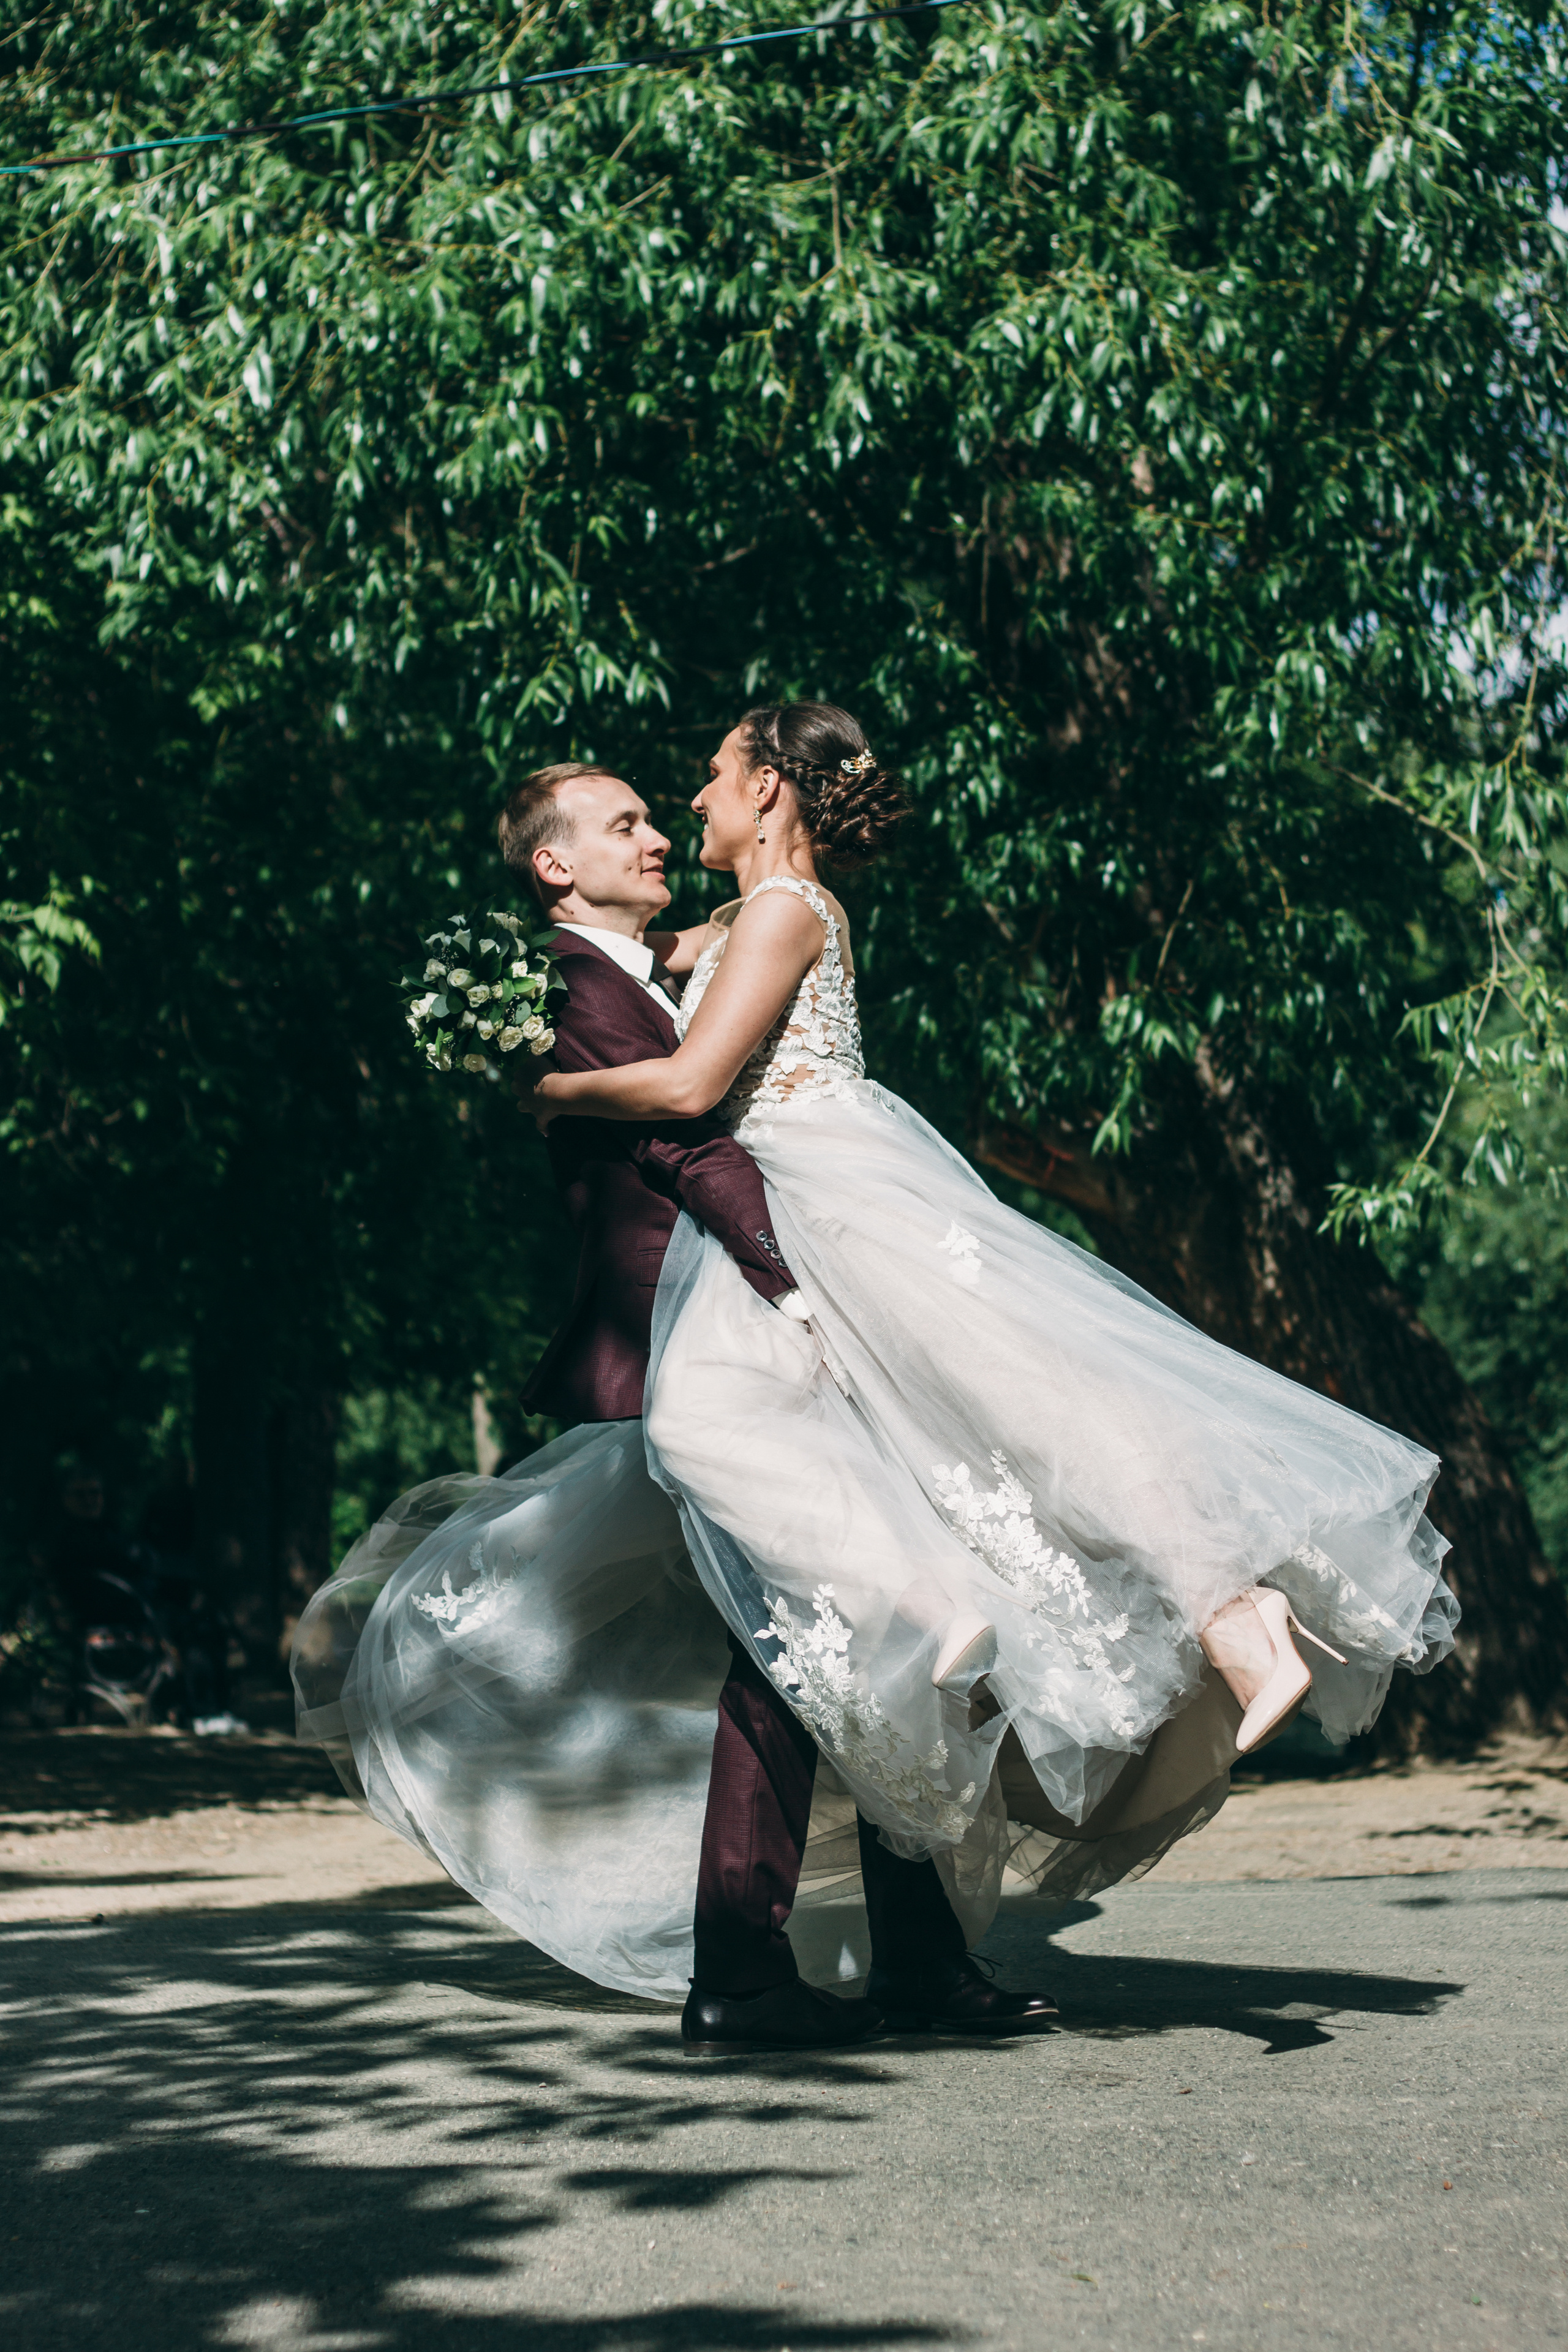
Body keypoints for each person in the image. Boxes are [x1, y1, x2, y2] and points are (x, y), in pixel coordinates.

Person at [525, 701, 1458, 1986]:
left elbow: (689, 1090)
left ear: (771, 793)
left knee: (1024, 1415)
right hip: (839, 1200)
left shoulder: (785, 913)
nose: (690, 804)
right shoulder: (749, 919)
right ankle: (1207, 1621)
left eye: (708, 777)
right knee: (1027, 1428)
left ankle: (1200, 1613)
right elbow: (641, 959)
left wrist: (552, 1091)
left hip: (837, 1210)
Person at [292, 755, 1054, 2051]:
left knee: (836, 1622)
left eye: (661, 815)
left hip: (745, 1332)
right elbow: (692, 1147)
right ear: (553, 864)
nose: (655, 837)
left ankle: (879, 1958)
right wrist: (801, 1296)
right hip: (707, 1337)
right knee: (811, 1630)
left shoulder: (662, 965)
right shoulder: (565, 984)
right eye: (625, 824)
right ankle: (752, 1971)